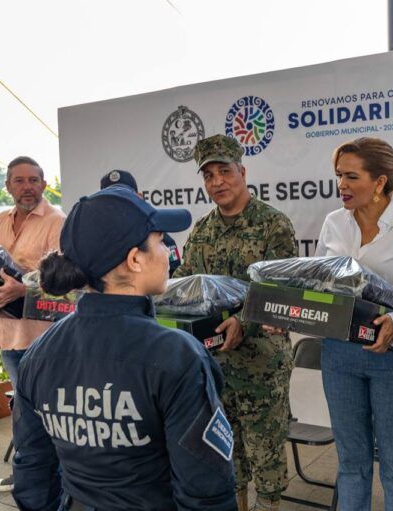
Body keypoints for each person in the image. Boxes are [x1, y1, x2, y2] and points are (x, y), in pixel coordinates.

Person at [12, 185, 236, 511]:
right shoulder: (178, 356)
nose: (168, 254)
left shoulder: (40, 352)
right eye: (160, 242)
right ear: (134, 260)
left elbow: (32, 473)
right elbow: (206, 490)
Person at [315, 137, 393, 511]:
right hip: (339, 354)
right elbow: (322, 282)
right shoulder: (334, 223)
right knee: (352, 464)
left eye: (352, 176)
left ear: (381, 181)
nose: (342, 185)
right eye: (339, 176)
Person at [173, 134, 297, 511]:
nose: (217, 182)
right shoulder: (202, 231)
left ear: (242, 172)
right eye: (208, 175)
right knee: (228, 454)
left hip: (262, 363)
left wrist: (245, 322)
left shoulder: (273, 225)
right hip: (215, 364)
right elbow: (187, 284)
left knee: (266, 456)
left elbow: (281, 293)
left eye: (224, 172)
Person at [0, 156, 65, 492]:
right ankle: (30, 475)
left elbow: (64, 279)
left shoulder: (57, 220)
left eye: (33, 180)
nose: (27, 187)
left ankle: (52, 479)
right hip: (7, 331)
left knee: (47, 409)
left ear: (44, 185)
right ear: (8, 186)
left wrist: (24, 288)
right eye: (19, 180)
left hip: (42, 335)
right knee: (23, 406)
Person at [100, 169, 182, 276]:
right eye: (111, 198)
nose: (118, 204)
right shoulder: (93, 240)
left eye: (125, 197)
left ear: (139, 197)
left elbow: (175, 279)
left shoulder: (159, 239)